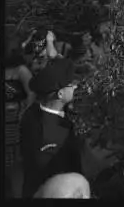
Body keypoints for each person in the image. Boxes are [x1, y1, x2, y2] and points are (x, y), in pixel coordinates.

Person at [20, 58, 83, 198]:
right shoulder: (51, 133)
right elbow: (56, 177)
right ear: (60, 94)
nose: (75, 87)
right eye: (71, 85)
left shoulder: (33, 113)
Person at [5, 32, 35, 197]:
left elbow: (32, 92)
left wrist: (25, 112)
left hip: (16, 121)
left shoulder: (21, 70)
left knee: (16, 163)